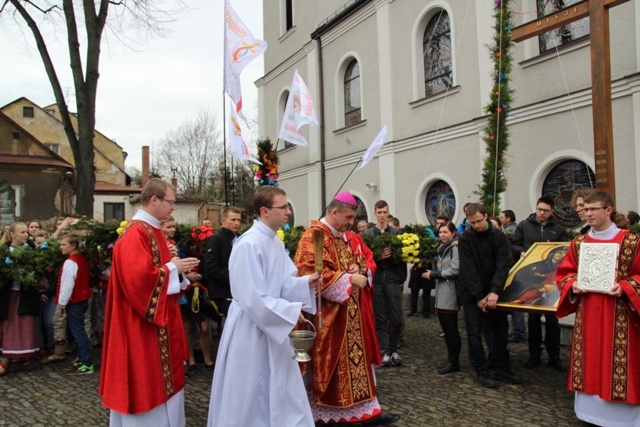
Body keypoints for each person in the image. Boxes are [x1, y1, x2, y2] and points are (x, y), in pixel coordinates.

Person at [207, 186, 319, 427]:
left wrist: (303, 283)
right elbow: (252, 297)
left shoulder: (274, 242)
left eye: (288, 206)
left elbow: (282, 283)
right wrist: (289, 309)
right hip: (250, 327)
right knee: (252, 387)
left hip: (272, 324)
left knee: (280, 383)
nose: (289, 211)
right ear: (265, 211)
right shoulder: (248, 244)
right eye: (284, 207)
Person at [295, 191, 401, 426]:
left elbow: (354, 262)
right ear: (334, 212)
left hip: (350, 315)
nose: (352, 222)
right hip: (329, 319)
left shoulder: (339, 236)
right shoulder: (314, 237)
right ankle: (330, 412)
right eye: (349, 217)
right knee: (332, 368)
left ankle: (362, 410)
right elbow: (307, 273)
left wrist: (357, 269)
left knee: (356, 365)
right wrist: (349, 280)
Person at [99, 178, 199, 426]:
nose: (173, 208)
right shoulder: (135, 234)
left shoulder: (153, 230)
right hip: (141, 328)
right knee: (145, 384)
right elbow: (138, 281)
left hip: (161, 322)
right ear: (154, 200)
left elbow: (158, 272)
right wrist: (171, 268)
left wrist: (178, 271)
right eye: (171, 202)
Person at [555, 190, 640, 426]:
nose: (587, 213)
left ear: (608, 210)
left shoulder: (632, 241)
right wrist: (574, 285)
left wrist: (625, 286)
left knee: (618, 362)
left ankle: (624, 419)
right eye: (585, 209)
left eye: (593, 209)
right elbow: (564, 273)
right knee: (590, 360)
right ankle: (589, 415)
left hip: (620, 314)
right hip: (589, 313)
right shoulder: (580, 243)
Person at [458, 203, 523, 388]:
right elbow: (468, 270)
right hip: (472, 294)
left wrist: (495, 291)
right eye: (472, 223)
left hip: (495, 291)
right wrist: (479, 296)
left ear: (486, 216)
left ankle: (502, 366)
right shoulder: (465, 239)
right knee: (474, 334)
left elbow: (503, 264)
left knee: (500, 331)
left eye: (479, 221)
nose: (476, 226)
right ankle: (481, 369)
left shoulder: (499, 236)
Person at [510, 196, 569, 372]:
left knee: (552, 320)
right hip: (533, 277)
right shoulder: (524, 225)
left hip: (552, 278)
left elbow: (566, 250)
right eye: (539, 209)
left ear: (551, 211)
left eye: (545, 210)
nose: (541, 213)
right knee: (533, 320)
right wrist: (521, 252)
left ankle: (554, 356)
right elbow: (514, 244)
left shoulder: (558, 228)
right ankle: (534, 355)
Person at [364, 200, 407, 367]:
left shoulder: (396, 234)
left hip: (392, 278)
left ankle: (392, 348)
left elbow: (403, 258)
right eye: (379, 212)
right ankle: (383, 351)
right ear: (374, 213)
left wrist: (399, 278)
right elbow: (364, 259)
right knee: (379, 318)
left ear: (388, 213)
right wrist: (377, 257)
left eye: (385, 212)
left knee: (397, 318)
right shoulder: (367, 235)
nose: (382, 215)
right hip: (376, 279)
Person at [0, 222, 40, 376]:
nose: (26, 235)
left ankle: (22, 357)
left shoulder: (30, 250)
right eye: (22, 232)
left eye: (26, 232)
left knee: (24, 326)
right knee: (10, 326)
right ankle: (7, 359)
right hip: (8, 294)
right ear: (12, 234)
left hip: (25, 295)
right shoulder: (4, 251)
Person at [424, 222, 461, 374]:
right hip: (442, 292)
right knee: (446, 328)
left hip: (450, 292)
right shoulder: (443, 249)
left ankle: (454, 361)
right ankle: (451, 358)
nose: (442, 235)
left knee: (451, 329)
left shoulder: (455, 248)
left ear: (453, 233)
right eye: (440, 232)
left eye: (445, 232)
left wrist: (435, 274)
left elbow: (455, 269)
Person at [56, 233, 93, 374]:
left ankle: (86, 362)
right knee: (78, 330)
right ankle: (83, 359)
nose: (61, 247)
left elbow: (67, 285)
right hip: (82, 299)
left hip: (76, 301)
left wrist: (61, 305)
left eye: (63, 244)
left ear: (73, 245)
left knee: (78, 331)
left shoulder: (71, 262)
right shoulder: (81, 259)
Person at [204, 206, 242, 319]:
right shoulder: (216, 239)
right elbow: (211, 269)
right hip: (223, 292)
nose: (236, 223)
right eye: (233, 220)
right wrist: (234, 279)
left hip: (239, 291)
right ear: (223, 220)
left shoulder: (241, 238)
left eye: (239, 220)